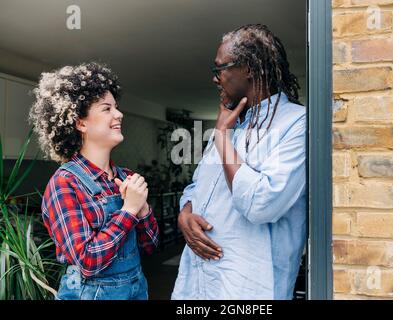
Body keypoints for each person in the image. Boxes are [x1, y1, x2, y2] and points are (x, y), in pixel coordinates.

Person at [172, 24, 306, 300]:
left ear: (248, 68)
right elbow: (196, 187)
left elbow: (260, 204)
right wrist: (185, 214)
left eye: (219, 68)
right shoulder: (231, 122)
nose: (215, 78)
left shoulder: (297, 123)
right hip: (198, 286)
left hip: (248, 289)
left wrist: (222, 138)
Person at [29, 62, 159, 300]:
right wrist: (129, 210)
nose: (119, 114)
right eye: (106, 108)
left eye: (116, 107)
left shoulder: (125, 177)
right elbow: (88, 261)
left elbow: (150, 246)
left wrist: (143, 209)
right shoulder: (65, 183)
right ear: (80, 123)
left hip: (137, 288)